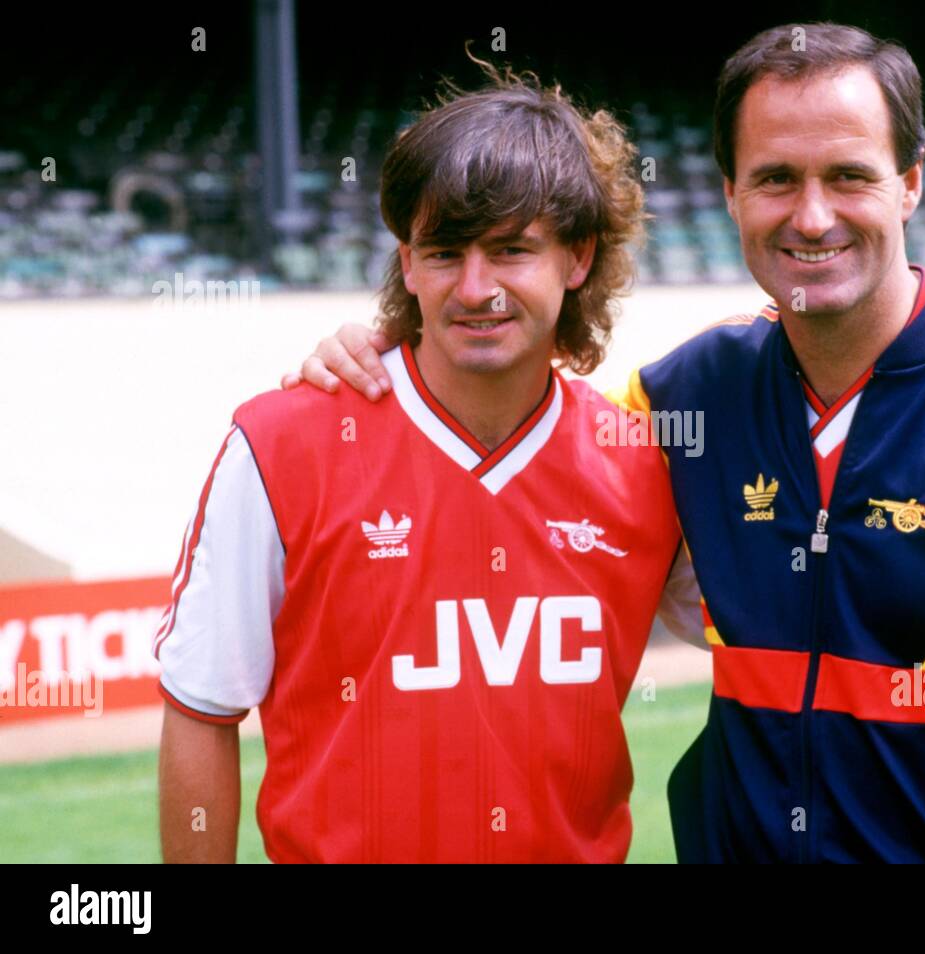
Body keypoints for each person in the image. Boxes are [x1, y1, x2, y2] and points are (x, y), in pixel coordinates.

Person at [288, 24, 925, 862]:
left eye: (847, 176)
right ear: (728, 192)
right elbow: (505, 462)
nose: (811, 216)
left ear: (909, 182)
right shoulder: (676, 400)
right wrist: (384, 359)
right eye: (774, 178)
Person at [156, 66, 701, 863]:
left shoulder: (643, 463)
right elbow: (203, 708)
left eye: (512, 250)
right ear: (407, 263)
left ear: (578, 258)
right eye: (445, 252)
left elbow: (776, 647)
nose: (476, 288)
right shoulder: (280, 445)